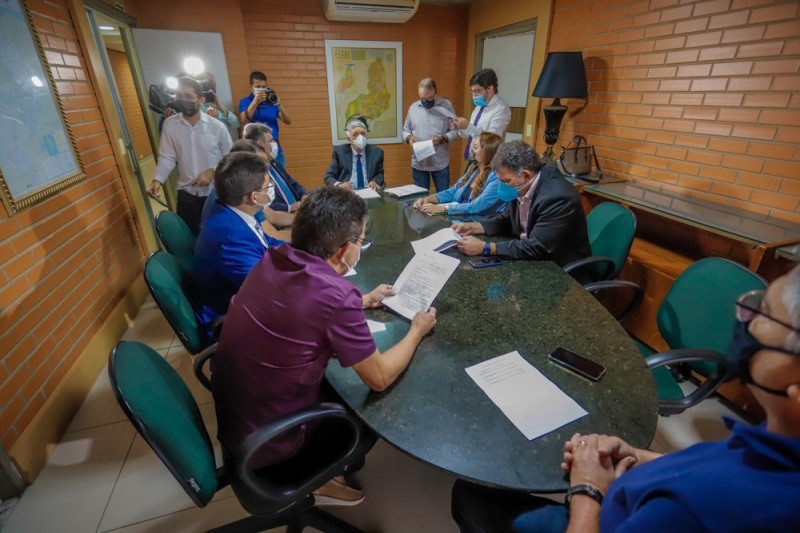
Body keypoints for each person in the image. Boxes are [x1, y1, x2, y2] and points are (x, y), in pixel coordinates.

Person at [451, 264, 800, 533]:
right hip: (626, 496)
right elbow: (709, 463)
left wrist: (588, 490)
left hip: (601, 514)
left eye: (763, 314)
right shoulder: (775, 440)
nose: (744, 316)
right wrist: (639, 456)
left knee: (470, 498)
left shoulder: (701, 508)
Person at [213, 186, 437, 503]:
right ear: (344, 252)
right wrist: (417, 329)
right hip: (273, 444)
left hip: (240, 418)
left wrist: (361, 301)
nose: (360, 248)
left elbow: (300, 304)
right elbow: (380, 377)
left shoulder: (272, 259)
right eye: (360, 242)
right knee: (378, 404)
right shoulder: (336, 295)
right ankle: (318, 479)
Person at [452, 140, 590, 267]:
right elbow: (506, 219)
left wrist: (485, 247)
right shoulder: (522, 183)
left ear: (526, 175)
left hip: (560, 267)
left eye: (506, 181)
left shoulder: (558, 197)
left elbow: (538, 247)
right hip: (532, 256)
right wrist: (472, 227)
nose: (502, 186)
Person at [192, 151, 284, 322]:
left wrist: (312, 249)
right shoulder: (230, 239)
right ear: (253, 197)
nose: (272, 189)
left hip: (248, 297)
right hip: (232, 319)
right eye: (268, 187)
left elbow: (269, 243)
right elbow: (271, 290)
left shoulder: (233, 210)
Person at [147, 77, 233, 235]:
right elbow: (167, 156)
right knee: (191, 240)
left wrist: (213, 171)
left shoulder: (217, 126)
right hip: (186, 196)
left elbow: (231, 159)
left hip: (216, 195)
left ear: (200, 100)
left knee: (219, 238)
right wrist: (157, 180)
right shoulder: (170, 125)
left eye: (188, 96)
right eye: (179, 96)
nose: (182, 100)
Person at [199, 139, 292, 242]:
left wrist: (303, 220)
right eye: (258, 166)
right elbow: (272, 239)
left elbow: (272, 216)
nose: (265, 173)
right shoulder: (241, 201)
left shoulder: (239, 191)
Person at [413, 132, 506, 217]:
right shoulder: (474, 168)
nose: (472, 151)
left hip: (477, 220)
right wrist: (429, 199)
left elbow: (477, 207)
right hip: (460, 216)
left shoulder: (497, 178)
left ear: (487, 152)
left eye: (476, 147)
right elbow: (453, 191)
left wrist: (443, 209)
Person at [402, 78, 459, 192]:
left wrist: (443, 138)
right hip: (419, 162)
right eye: (422, 98)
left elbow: (455, 131)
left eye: (429, 98)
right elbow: (405, 130)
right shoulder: (413, 108)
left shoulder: (446, 106)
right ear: (419, 94)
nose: (426, 101)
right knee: (420, 197)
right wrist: (409, 138)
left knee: (443, 197)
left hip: (440, 161)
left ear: (435, 92)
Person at [242, 122, 307, 213]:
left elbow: (292, 183)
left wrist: (304, 195)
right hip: (280, 219)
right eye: (271, 141)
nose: (274, 144)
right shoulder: (251, 172)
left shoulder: (274, 163)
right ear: (260, 144)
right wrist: (289, 208)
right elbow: (264, 203)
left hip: (296, 211)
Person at [452, 68, 511, 161]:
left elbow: (492, 140)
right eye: (472, 91)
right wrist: (460, 127)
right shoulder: (480, 106)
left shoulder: (501, 109)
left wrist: (468, 126)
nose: (474, 95)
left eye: (477, 91)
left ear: (490, 89)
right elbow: (470, 134)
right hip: (474, 157)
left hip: (488, 160)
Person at [239, 71, 291, 166]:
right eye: (258, 87)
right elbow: (243, 119)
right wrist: (255, 102)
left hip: (275, 148)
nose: (261, 89)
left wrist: (280, 105)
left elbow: (288, 121)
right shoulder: (245, 101)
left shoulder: (271, 102)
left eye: (263, 87)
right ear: (251, 87)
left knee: (281, 178)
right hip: (256, 151)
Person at [323, 117, 384, 191]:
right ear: (349, 139)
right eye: (355, 134)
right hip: (348, 193)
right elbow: (328, 176)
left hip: (369, 191)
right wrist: (339, 185)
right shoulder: (339, 152)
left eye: (363, 133)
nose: (360, 137)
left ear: (367, 136)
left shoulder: (377, 152)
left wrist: (375, 181)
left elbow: (380, 173)